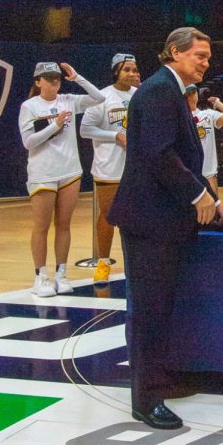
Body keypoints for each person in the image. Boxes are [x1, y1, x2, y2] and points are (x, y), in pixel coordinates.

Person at [107, 27, 223, 430]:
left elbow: (179, 157)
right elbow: (159, 156)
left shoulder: (168, 89)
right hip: (149, 219)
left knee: (161, 309)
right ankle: (144, 399)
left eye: (208, 57)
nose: (206, 63)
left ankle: (159, 380)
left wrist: (208, 195)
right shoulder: (160, 90)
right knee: (148, 311)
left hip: (163, 218)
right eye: (199, 55)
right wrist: (200, 198)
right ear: (175, 53)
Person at [17, 62, 106, 298]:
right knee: (41, 226)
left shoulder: (68, 99)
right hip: (43, 173)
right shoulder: (29, 106)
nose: (54, 81)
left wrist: (77, 77)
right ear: (38, 82)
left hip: (70, 171)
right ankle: (40, 276)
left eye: (56, 77)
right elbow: (28, 142)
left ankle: (61, 273)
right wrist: (54, 126)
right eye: (48, 78)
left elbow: (98, 98)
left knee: (64, 224)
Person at [79, 53, 141, 283]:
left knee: (136, 218)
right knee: (108, 216)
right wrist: (114, 135)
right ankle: (103, 263)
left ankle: (134, 263)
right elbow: (85, 130)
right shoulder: (102, 97)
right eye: (127, 69)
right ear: (116, 71)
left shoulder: (142, 96)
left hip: (137, 168)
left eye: (135, 70)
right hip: (109, 168)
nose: (132, 74)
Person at [186, 85, 223, 194]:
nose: (191, 96)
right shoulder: (179, 117)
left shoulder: (208, 114)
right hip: (188, 173)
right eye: (188, 94)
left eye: (193, 92)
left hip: (209, 172)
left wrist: (219, 104)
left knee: (214, 208)